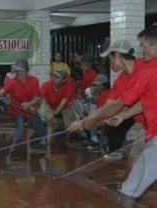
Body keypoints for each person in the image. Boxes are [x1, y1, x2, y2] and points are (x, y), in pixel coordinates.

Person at [69, 26, 157, 207]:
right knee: (135, 170)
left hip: (153, 133)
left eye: (109, 58)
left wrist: (86, 122)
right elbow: (127, 104)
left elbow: (116, 105)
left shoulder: (146, 70)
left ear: (117, 56)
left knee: (132, 182)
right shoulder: (123, 79)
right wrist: (122, 117)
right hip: (149, 129)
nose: (108, 63)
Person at [0, 59, 46, 165]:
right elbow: (3, 91)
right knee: (20, 128)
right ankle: (9, 152)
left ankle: (33, 144)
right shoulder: (12, 82)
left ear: (27, 71)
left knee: (41, 132)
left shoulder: (34, 80)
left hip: (29, 109)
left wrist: (29, 104)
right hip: (17, 110)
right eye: (17, 71)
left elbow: (37, 98)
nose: (19, 74)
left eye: (22, 71)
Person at [38, 68, 76, 146]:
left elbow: (62, 104)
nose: (54, 78)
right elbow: (40, 99)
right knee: (50, 124)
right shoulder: (46, 85)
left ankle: (69, 140)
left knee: (69, 126)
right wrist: (36, 108)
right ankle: (48, 143)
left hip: (66, 106)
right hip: (50, 104)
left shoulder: (70, 86)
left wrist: (52, 115)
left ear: (64, 80)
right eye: (54, 76)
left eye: (58, 77)